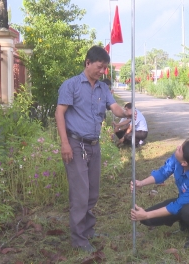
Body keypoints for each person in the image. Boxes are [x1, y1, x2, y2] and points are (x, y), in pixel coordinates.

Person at [55, 45, 131, 253]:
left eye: (105, 68)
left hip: (94, 145)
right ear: (88, 63)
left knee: (92, 193)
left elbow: (113, 107)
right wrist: (64, 143)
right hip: (75, 145)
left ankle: (88, 230)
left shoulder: (102, 88)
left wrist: (125, 113)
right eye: (99, 66)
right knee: (80, 194)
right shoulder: (70, 85)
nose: (102, 71)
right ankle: (78, 239)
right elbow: (59, 114)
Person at [130, 138, 189, 248]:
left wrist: (146, 214)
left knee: (188, 211)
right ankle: (184, 221)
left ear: (185, 163)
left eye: (180, 149)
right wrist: (141, 183)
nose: (177, 147)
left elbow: (177, 206)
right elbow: (162, 173)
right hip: (184, 201)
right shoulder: (178, 159)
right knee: (147, 220)